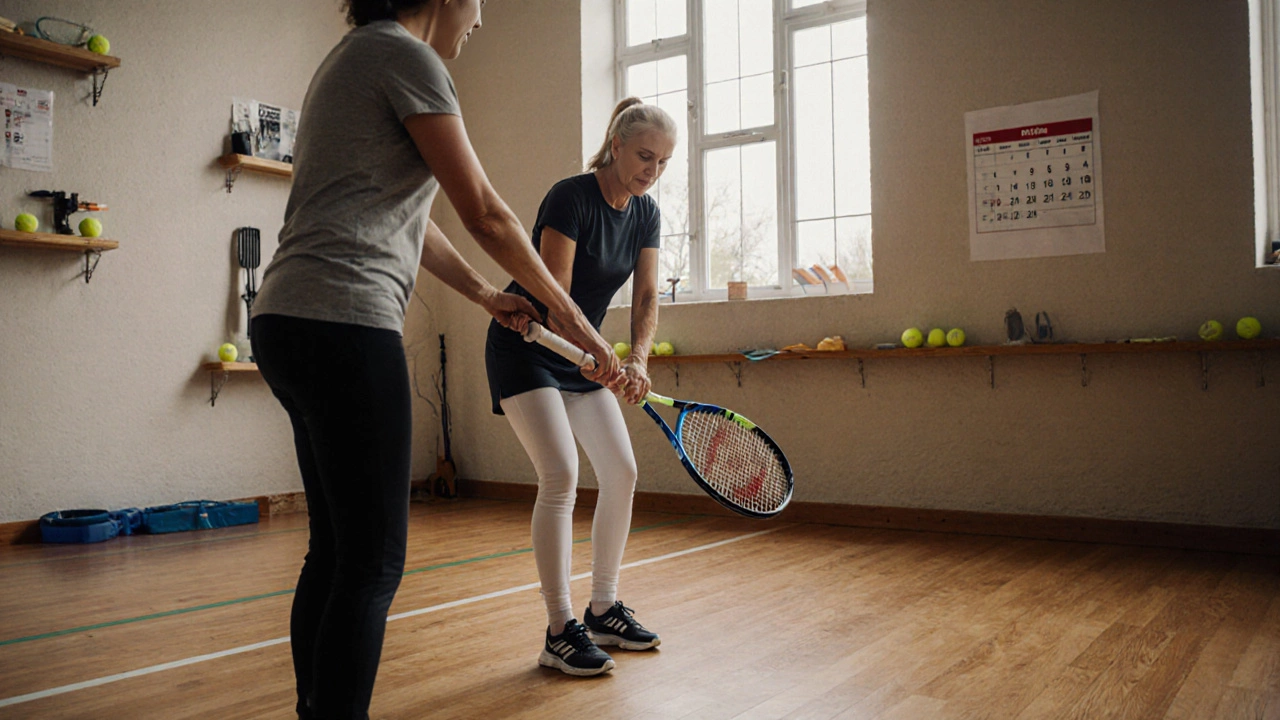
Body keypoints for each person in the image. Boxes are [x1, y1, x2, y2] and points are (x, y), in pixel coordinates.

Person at [249, 1, 621, 717]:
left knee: (334, 551)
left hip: (287, 320)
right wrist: (579, 327)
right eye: (478, 3)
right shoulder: (406, 57)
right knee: (373, 560)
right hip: (345, 324)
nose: (480, 20)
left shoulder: (354, 56)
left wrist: (486, 294)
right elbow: (484, 210)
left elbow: (407, 223)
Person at [484, 97, 677, 677]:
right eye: (645, 156)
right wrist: (599, 352)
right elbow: (555, 293)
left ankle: (602, 609)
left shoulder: (645, 212)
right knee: (561, 474)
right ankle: (559, 629)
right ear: (616, 146)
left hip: (582, 354)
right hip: (529, 346)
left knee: (621, 471)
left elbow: (646, 297)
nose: (652, 171)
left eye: (664, 163)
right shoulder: (569, 197)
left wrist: (635, 359)